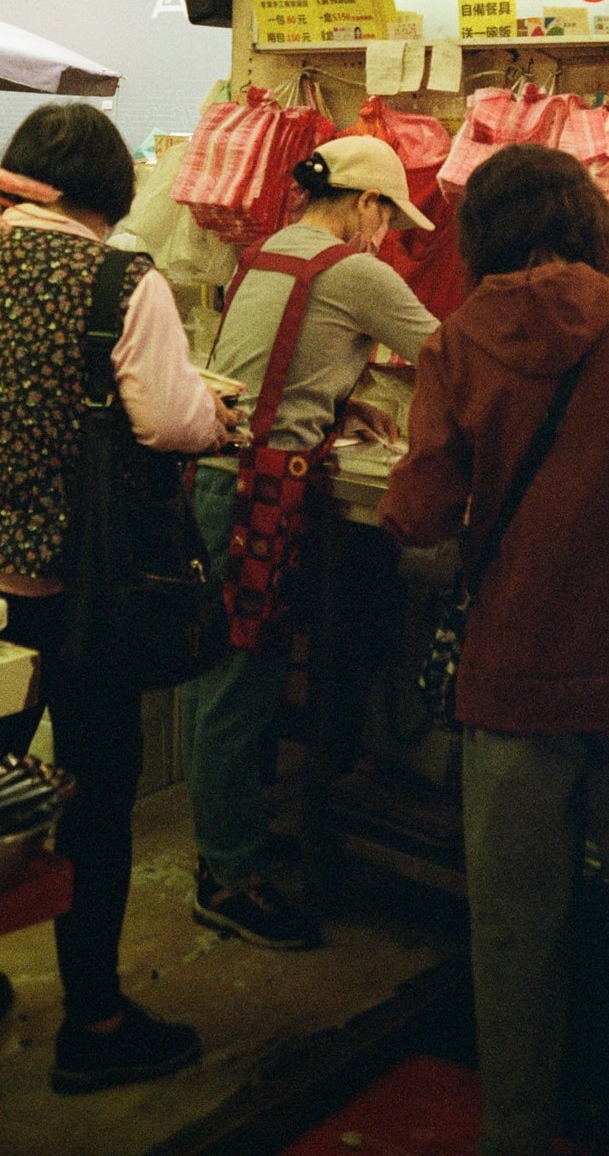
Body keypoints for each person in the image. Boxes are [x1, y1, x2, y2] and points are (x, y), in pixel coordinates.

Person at [379, 144, 609, 1156]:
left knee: (514, 930)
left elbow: (420, 509)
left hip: (516, 667)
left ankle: (519, 1130)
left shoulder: (455, 341)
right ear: (585, 220)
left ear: (479, 232)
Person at [0, 102, 236, 1092]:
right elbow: (172, 421)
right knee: (94, 794)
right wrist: (213, 412)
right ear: (112, 198)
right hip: (84, 588)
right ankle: (92, 1015)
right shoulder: (120, 280)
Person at [181, 136, 438, 951]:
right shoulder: (354, 269)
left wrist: (340, 403)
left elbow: (275, 364)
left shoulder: (266, 254)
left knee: (219, 674)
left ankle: (229, 838)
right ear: (366, 204)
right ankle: (228, 878)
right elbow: (457, 360)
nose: (388, 234)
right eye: (388, 217)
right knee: (240, 685)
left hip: (218, 478)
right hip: (256, 490)